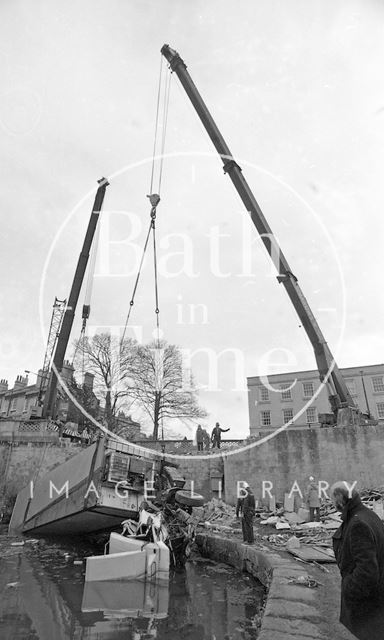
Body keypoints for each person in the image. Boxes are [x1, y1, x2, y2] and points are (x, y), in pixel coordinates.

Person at [331, 481, 384, 640]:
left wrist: (348, 588)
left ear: (340, 499)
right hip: (376, 596)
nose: (332, 504)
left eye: (332, 500)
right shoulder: (368, 515)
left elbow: (367, 571)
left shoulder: (357, 524)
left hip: (367, 602)